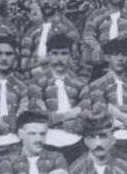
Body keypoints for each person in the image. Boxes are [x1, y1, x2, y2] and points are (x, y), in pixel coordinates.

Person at [80, 38, 127, 169]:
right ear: (107, 57)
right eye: (115, 54)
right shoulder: (94, 86)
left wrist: (120, 116)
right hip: (104, 144)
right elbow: (94, 120)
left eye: (124, 55)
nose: (120, 59)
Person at [28, 35, 86, 164]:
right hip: (47, 142)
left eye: (64, 53)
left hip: (75, 141)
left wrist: (76, 122)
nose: (59, 59)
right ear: (48, 55)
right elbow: (37, 114)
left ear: (71, 56)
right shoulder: (37, 82)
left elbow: (86, 111)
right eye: (55, 53)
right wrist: (70, 115)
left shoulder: (80, 83)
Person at [20, 0, 81, 80]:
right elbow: (22, 63)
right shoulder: (31, 31)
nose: (46, 2)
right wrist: (42, 62)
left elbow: (74, 63)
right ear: (37, 1)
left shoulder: (68, 28)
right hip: (32, 81)